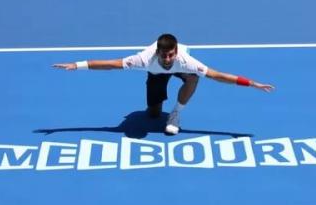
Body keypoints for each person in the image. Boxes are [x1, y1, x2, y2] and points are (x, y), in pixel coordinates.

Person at [53, 34, 275, 135]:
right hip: (154, 73)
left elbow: (217, 75)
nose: (167, 58)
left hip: (184, 73)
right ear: (157, 52)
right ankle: (159, 109)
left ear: (176, 52)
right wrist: (77, 64)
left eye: (170, 54)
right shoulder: (143, 60)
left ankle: (176, 114)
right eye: (164, 55)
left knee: (194, 77)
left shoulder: (185, 61)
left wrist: (252, 83)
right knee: (152, 114)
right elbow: (110, 64)